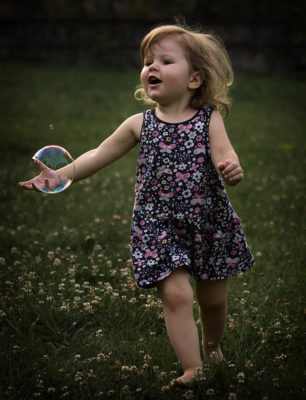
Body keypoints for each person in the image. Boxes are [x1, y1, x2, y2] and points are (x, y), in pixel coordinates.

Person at [19, 23, 254, 386]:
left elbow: (224, 152)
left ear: (194, 78)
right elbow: (98, 153)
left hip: (208, 221)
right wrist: (58, 174)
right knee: (176, 296)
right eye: (148, 62)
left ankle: (213, 346)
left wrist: (230, 165)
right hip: (157, 225)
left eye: (165, 60)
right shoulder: (138, 124)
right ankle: (193, 368)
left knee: (212, 301)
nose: (151, 67)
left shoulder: (210, 119)